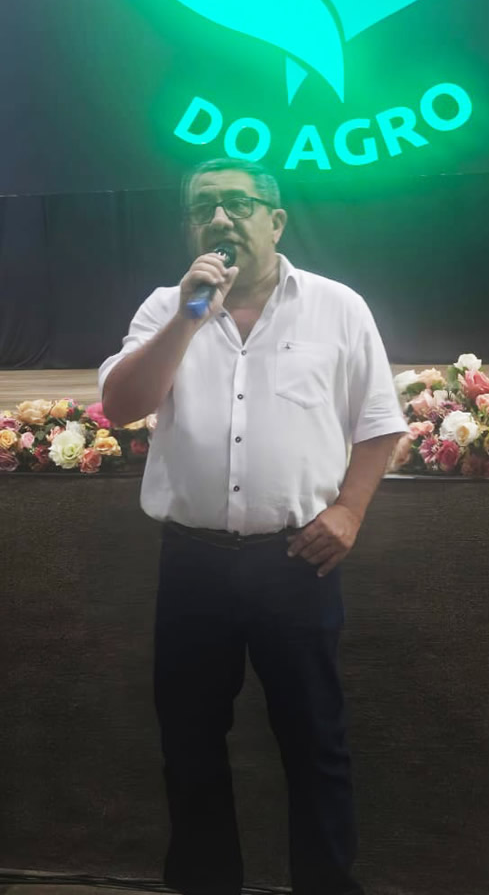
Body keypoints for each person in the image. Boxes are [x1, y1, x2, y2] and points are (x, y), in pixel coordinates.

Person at [99, 158, 407, 895]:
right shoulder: (165, 307)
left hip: (295, 563)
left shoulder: (336, 307)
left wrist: (349, 511)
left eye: (237, 203)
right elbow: (122, 406)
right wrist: (188, 315)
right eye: (203, 206)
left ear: (276, 221)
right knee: (190, 745)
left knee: (316, 743)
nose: (219, 218)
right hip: (193, 564)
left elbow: (378, 424)